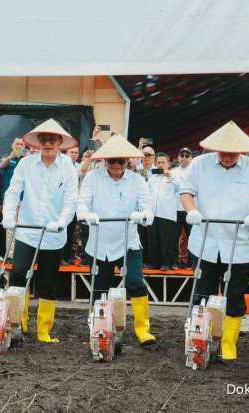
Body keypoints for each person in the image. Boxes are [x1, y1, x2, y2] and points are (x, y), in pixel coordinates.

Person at [180, 121, 249, 362]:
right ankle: (201, 337)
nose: (228, 157)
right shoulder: (199, 165)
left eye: (233, 153)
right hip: (205, 239)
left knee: (235, 294)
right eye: (224, 152)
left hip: (239, 241)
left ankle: (229, 343)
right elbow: (186, 192)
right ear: (215, 149)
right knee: (202, 292)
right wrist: (191, 211)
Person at [2, 119, 78, 343]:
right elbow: (13, 191)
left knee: (48, 281)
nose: (47, 144)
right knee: (18, 274)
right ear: (38, 143)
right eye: (43, 140)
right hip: (27, 229)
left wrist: (62, 220)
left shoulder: (68, 168)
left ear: (59, 143)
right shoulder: (26, 164)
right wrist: (8, 215)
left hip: (54, 233)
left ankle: (44, 330)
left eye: (52, 140)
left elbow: (71, 199)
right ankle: (18, 322)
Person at [77, 135, 157, 346]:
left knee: (135, 282)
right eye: (111, 161)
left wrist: (144, 215)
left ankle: (143, 330)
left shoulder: (137, 180)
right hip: (100, 241)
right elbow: (82, 202)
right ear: (105, 161)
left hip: (128, 240)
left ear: (127, 162)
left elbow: (148, 206)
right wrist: (86, 215)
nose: (115, 165)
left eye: (120, 161)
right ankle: (97, 324)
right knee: (100, 285)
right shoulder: (92, 178)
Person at [147, 152, 179, 270]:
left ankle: (166, 263)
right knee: (153, 240)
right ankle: (153, 262)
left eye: (163, 162)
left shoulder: (174, 176)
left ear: (168, 164)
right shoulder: (152, 177)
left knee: (166, 241)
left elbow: (181, 187)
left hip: (167, 213)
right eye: (158, 162)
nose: (160, 165)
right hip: (153, 213)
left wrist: (169, 176)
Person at [0, 138, 27, 261]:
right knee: (10, 227)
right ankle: (10, 255)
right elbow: (1, 165)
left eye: (21, 144)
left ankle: (23, 254)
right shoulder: (6, 157)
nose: (19, 146)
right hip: (10, 198)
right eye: (17, 144)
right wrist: (12, 156)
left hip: (25, 198)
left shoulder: (27, 159)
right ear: (12, 145)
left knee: (24, 227)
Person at [172, 148, 193, 268]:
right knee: (174, 237)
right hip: (175, 208)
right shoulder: (173, 171)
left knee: (192, 236)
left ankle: (191, 262)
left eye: (187, 155)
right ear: (178, 157)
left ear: (191, 158)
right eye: (182, 155)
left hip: (190, 209)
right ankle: (175, 261)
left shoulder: (195, 171)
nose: (184, 158)